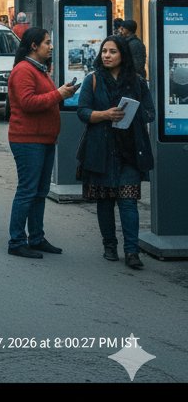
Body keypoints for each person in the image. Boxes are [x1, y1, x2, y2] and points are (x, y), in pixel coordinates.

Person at [76, 34, 154, 269]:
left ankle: (132, 251)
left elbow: (150, 111)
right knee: (106, 201)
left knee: (128, 201)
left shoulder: (137, 82)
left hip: (129, 149)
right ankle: (109, 245)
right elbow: (82, 112)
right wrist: (105, 115)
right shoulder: (93, 80)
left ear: (123, 55)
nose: (107, 56)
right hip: (101, 149)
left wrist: (132, 114)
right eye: (104, 52)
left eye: (112, 52)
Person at [7, 27, 78, 258]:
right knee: (28, 191)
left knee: (40, 192)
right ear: (34, 46)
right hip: (28, 140)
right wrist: (59, 95)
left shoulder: (40, 69)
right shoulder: (23, 70)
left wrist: (61, 93)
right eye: (47, 42)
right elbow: (28, 103)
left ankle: (36, 237)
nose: (51, 46)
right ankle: (17, 241)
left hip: (44, 139)